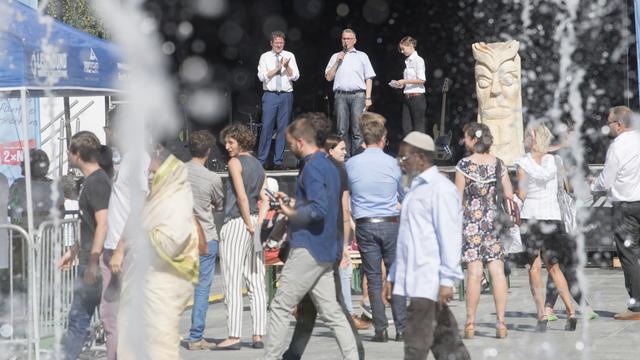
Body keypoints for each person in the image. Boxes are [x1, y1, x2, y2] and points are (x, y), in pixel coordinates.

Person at [264, 114, 358, 360]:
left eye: (290, 143)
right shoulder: (331, 165)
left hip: (308, 246)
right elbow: (324, 205)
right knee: (332, 312)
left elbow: (318, 210)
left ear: (300, 141)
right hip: (327, 247)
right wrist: (293, 202)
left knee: (280, 306)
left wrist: (290, 211)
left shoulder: (313, 166)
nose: (289, 147)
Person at [387, 131, 470, 360]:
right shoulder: (414, 189)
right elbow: (406, 239)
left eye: (404, 158)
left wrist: (446, 280)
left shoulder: (440, 189)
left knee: (415, 344)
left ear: (420, 158)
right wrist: (393, 277)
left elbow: (450, 236)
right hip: (415, 279)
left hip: (428, 278)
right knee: (446, 342)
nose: (400, 163)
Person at [117, 143, 199, 360]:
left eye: (153, 172)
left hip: (163, 284)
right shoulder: (160, 198)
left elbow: (171, 239)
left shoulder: (174, 200)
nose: (150, 177)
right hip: (149, 283)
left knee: (159, 345)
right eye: (149, 173)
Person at [345, 112, 406, 342]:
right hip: (390, 223)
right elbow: (403, 194)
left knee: (373, 277)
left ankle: (380, 329)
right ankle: (401, 328)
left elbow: (346, 193)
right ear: (382, 139)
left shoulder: (351, 164)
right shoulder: (393, 164)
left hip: (365, 224)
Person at [514, 123, 577, 332]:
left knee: (534, 268)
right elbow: (564, 186)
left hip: (531, 217)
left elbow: (522, 195)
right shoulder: (555, 161)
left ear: (531, 140)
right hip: (552, 217)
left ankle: (541, 314)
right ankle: (571, 311)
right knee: (555, 268)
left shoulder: (523, 163)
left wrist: (510, 200)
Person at [454, 122, 511, 338]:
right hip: (493, 222)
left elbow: (457, 200)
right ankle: (501, 323)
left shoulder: (464, 165)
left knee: (474, 273)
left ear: (473, 140)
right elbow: (508, 193)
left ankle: (470, 324)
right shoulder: (498, 164)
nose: (463, 141)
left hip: (470, 223)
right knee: (497, 272)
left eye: (466, 137)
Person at [59, 131, 111, 360]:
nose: (68, 156)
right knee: (89, 317)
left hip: (95, 262)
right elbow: (89, 224)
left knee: (79, 318)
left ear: (77, 154)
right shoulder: (93, 181)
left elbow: (103, 224)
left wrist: (92, 261)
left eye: (70, 151)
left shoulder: (97, 182)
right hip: (90, 257)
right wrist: (73, 251)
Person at [100, 127, 150, 360]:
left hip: (125, 248)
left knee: (121, 316)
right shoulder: (128, 159)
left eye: (109, 130)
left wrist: (121, 247)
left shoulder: (137, 157)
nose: (109, 134)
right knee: (111, 315)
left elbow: (138, 202)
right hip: (115, 247)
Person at [217, 124, 268, 349]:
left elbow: (241, 198)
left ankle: (235, 335)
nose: (227, 147)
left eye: (231, 142)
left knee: (232, 279)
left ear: (241, 141)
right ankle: (258, 334)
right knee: (256, 280)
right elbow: (265, 198)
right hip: (255, 222)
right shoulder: (258, 165)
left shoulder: (234, 163)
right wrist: (258, 223)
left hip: (238, 222)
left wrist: (247, 222)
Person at [590, 105, 640, 320]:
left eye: (609, 122)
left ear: (619, 125)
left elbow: (607, 179)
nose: (607, 127)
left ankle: (636, 307)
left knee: (629, 256)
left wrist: (593, 185)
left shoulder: (618, 146)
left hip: (626, 206)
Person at [184, 130, 224, 349]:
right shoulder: (212, 178)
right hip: (205, 236)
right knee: (202, 287)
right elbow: (218, 203)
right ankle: (196, 336)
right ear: (208, 151)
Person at [325, 28, 376, 155]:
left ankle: (357, 157)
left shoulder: (362, 56)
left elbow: (368, 77)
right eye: (344, 38)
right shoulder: (335, 56)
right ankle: (344, 158)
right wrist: (337, 61)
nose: (346, 41)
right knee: (341, 130)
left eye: (349, 39)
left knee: (357, 130)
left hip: (358, 95)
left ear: (354, 40)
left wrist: (368, 98)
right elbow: (328, 77)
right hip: (340, 96)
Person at [257, 30, 300, 170]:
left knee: (283, 130)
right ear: (271, 43)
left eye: (281, 42)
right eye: (277, 43)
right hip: (270, 95)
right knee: (267, 128)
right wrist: (277, 68)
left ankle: (278, 162)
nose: (279, 45)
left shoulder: (290, 56)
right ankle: (261, 161)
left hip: (286, 95)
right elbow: (262, 77)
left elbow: (296, 77)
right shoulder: (265, 57)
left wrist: (286, 66)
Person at [9, 149, 64, 228]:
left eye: (24, 162)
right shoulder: (55, 185)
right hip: (50, 235)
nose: (21, 164)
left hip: (23, 235)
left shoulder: (19, 184)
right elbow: (62, 211)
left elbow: (9, 205)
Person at [391, 36, 427, 136]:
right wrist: (399, 84)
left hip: (417, 97)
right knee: (406, 128)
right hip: (407, 97)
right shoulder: (407, 62)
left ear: (411, 46)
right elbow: (407, 83)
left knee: (418, 128)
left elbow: (422, 80)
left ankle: (420, 150)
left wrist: (404, 81)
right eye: (401, 49)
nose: (402, 52)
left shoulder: (418, 60)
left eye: (403, 49)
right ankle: (409, 150)